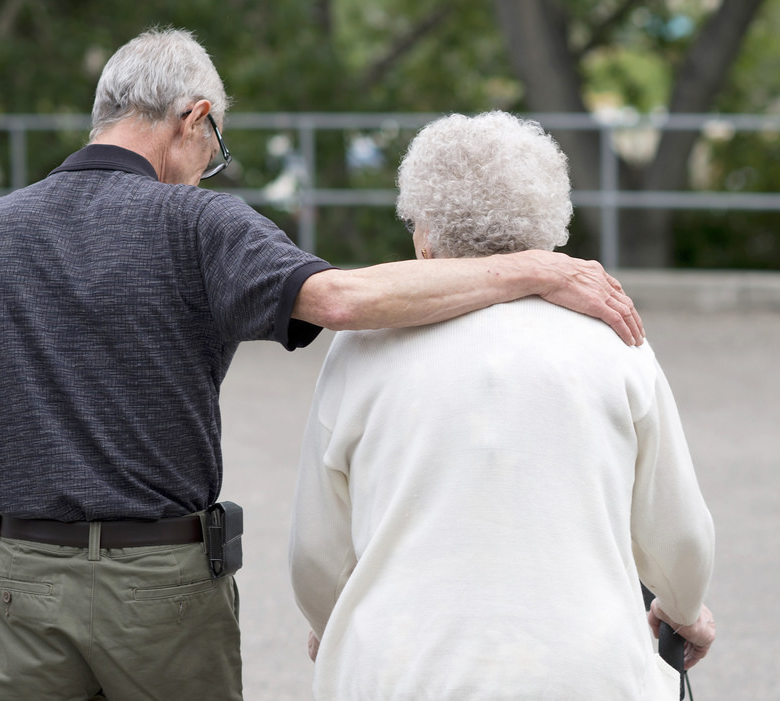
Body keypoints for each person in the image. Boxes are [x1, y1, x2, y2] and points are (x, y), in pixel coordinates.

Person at [0, 30, 643, 701]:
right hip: (159, 586)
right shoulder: (200, 224)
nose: (208, 169)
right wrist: (533, 267)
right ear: (193, 118)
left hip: (20, 580)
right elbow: (341, 299)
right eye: (215, 148)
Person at [288, 111, 715, 700]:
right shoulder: (613, 337)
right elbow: (679, 535)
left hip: (403, 673)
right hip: (582, 673)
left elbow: (317, 551)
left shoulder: (361, 349)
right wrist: (684, 606)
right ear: (549, 223)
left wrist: (329, 621)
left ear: (425, 234)